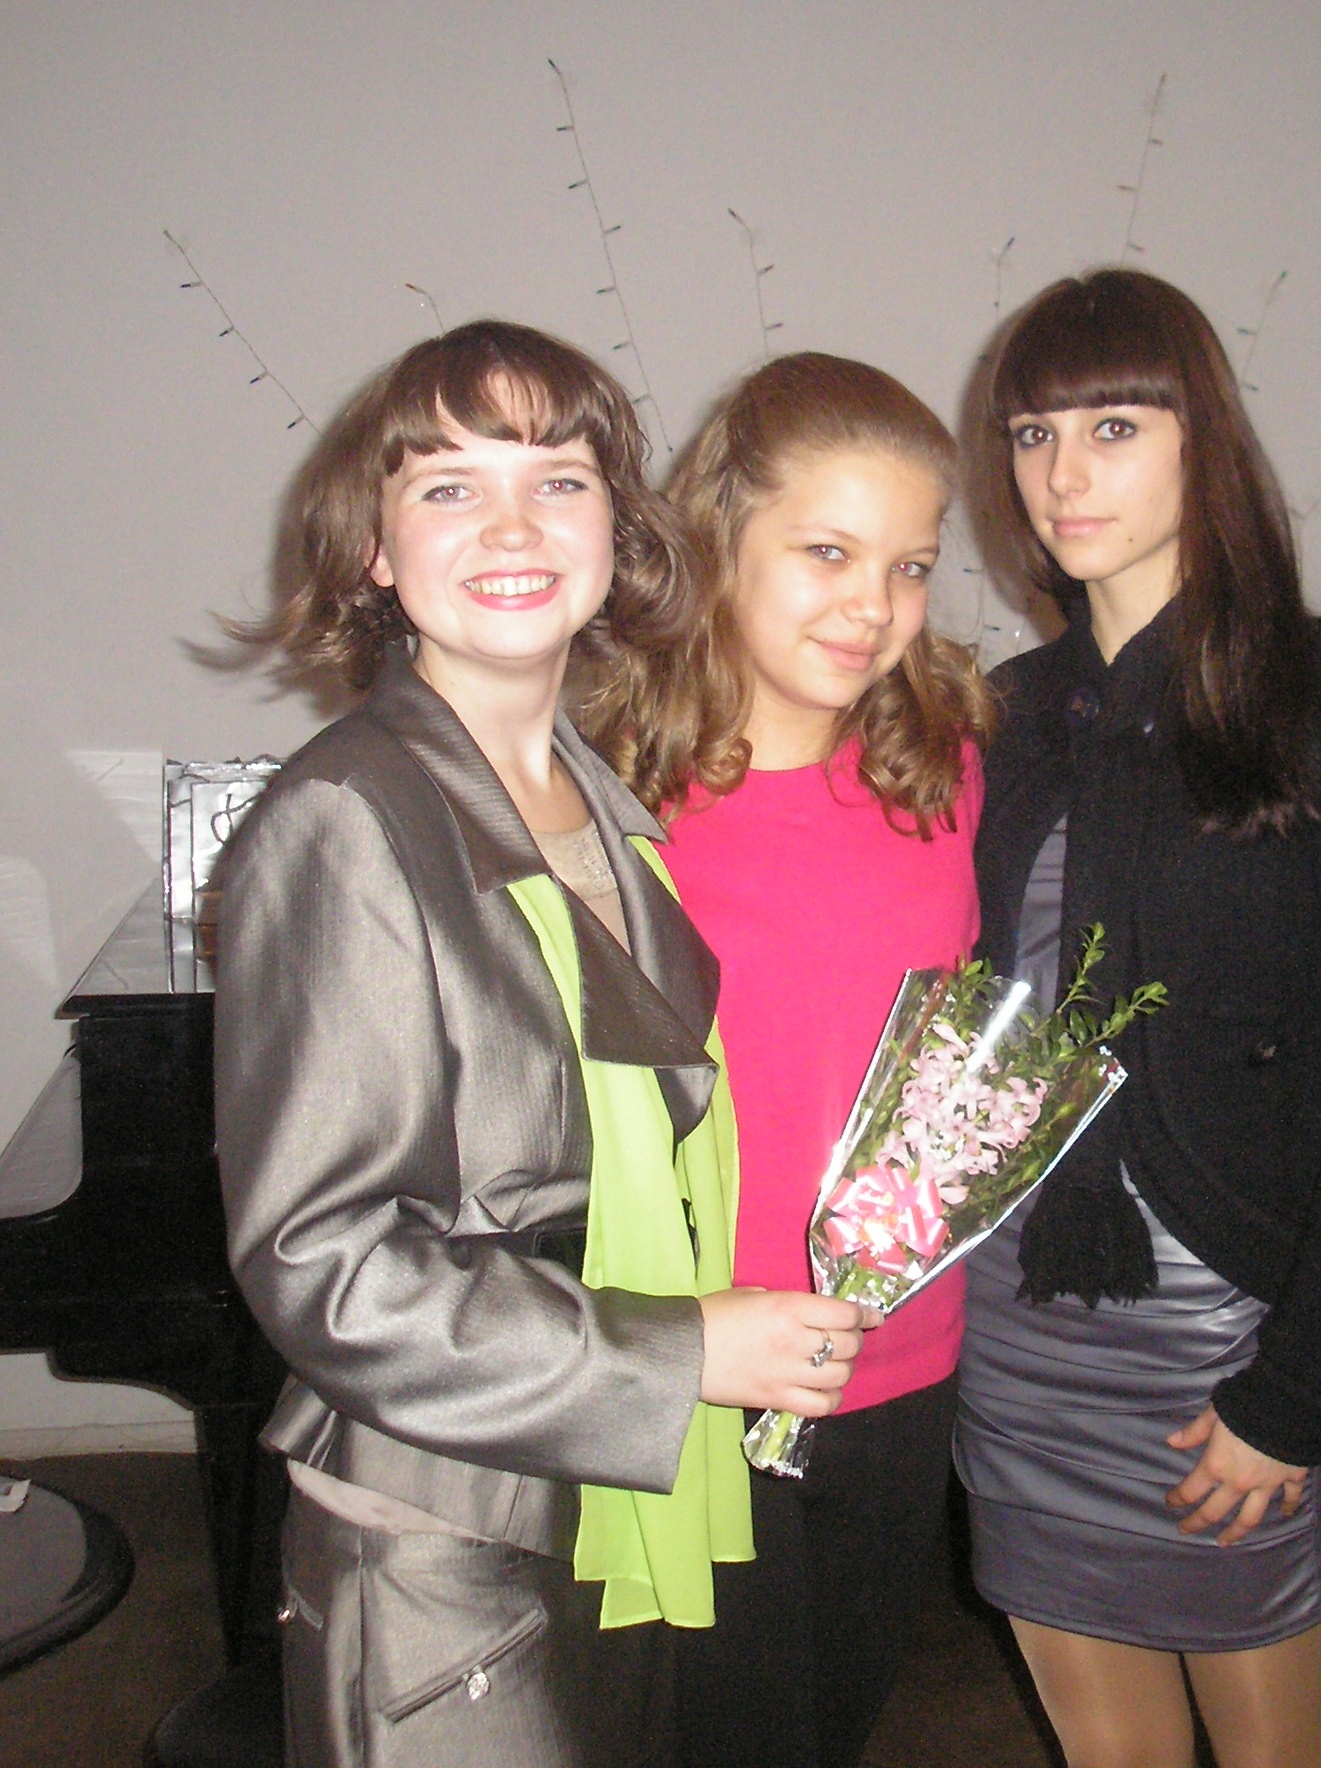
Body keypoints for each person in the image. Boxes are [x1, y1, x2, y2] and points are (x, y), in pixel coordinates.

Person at [213, 320, 875, 1768]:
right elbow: (328, 1265)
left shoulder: (595, 795)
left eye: (558, 480)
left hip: (598, 1493)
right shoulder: (349, 819)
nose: (512, 526)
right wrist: (684, 1350)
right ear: (373, 548)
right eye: (449, 485)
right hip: (443, 1538)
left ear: (616, 533)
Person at [957, 268, 1321, 1768]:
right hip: (1025, 1315)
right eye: (1035, 434)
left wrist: (1297, 1388)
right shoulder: (1010, 712)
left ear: (1204, 442)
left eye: (1115, 426)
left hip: (1227, 1329)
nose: (1065, 473)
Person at [583, 351, 994, 1768]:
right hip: (697, 1365)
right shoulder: (612, 789)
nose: (872, 606)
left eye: (909, 566)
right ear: (720, 539)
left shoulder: (944, 770)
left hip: (903, 1362)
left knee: (836, 1727)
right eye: (827, 551)